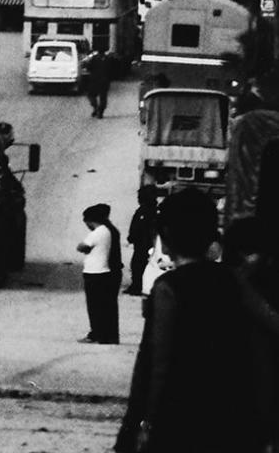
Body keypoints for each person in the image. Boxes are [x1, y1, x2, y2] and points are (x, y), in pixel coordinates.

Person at [115, 189, 265, 452]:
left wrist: (145, 424)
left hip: (179, 418)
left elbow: (157, 364)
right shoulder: (235, 280)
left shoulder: (167, 288)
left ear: (167, 238)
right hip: (232, 416)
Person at [77, 203, 123, 344]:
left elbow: (81, 246)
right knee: (107, 306)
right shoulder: (111, 230)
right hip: (109, 271)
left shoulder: (99, 232)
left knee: (95, 306)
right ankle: (109, 336)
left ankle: (97, 333)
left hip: (96, 272)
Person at [126, 186, 159, 296]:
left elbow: (142, 228)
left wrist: (133, 237)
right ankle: (136, 285)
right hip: (142, 243)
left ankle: (137, 286)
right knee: (137, 265)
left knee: (138, 265)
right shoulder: (148, 210)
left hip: (143, 244)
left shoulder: (147, 211)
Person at [83, 49, 111, 118]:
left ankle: (95, 107)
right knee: (103, 97)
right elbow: (113, 69)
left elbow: (88, 67)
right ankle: (100, 111)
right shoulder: (108, 59)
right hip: (105, 80)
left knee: (91, 95)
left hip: (94, 79)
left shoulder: (94, 58)